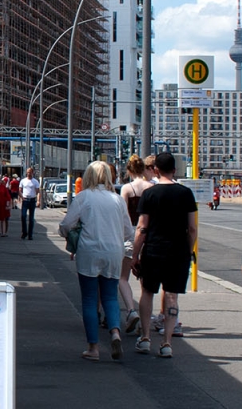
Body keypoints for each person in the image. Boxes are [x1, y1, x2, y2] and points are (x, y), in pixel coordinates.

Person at [59, 160, 133, 361]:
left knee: (90, 300)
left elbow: (66, 224)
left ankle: (93, 348)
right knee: (110, 296)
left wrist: (67, 234)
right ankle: (115, 332)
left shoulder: (84, 198)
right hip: (114, 253)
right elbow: (129, 232)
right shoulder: (117, 200)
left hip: (89, 251)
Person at [132, 152, 197, 358]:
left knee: (147, 292)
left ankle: (144, 338)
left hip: (153, 250)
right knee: (171, 296)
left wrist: (134, 254)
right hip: (178, 252)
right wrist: (188, 249)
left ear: (156, 170)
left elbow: (142, 227)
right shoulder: (186, 193)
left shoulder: (149, 194)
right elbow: (192, 228)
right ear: (175, 170)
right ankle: (167, 342)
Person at [117, 156, 154, 331]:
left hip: (130, 234)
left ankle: (131, 311)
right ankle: (145, 319)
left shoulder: (126, 188)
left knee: (123, 278)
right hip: (148, 235)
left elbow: (123, 216)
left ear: (130, 171)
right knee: (145, 283)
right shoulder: (152, 188)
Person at [18, 166, 41, 239]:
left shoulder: (35, 181)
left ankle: (30, 234)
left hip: (32, 200)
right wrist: (21, 197)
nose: (29, 174)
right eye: (27, 172)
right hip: (25, 200)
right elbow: (19, 190)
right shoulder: (23, 181)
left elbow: (38, 192)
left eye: (30, 172)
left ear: (32, 173)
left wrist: (38, 200)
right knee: (23, 216)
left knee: (31, 218)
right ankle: (24, 232)